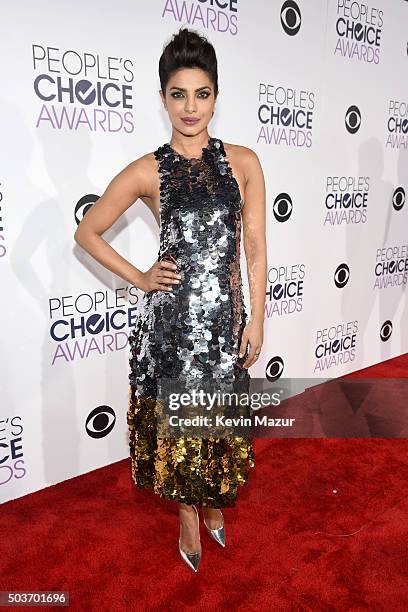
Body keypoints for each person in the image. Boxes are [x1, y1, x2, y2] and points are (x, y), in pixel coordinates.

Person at [74, 26, 267, 573]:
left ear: (216, 96)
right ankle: (188, 514)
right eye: (178, 94)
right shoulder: (147, 170)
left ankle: (210, 503)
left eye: (201, 93)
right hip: (174, 329)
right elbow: (87, 231)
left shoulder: (245, 162)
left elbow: (253, 246)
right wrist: (138, 277)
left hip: (225, 323)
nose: (190, 107)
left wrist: (257, 316)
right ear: (162, 99)